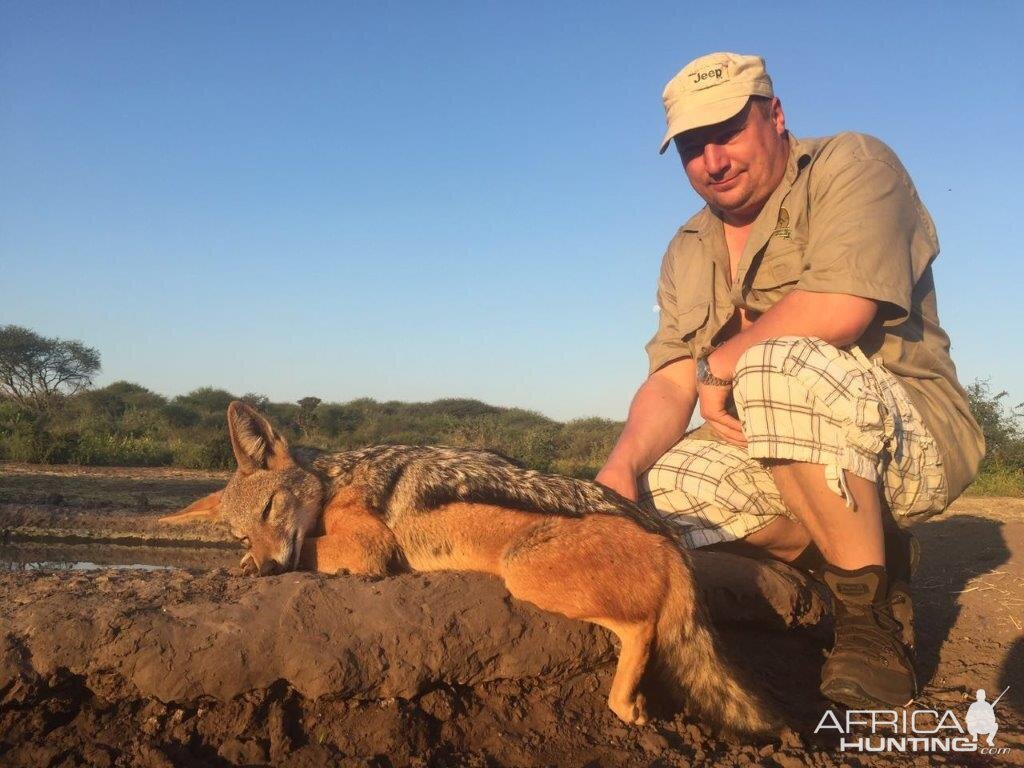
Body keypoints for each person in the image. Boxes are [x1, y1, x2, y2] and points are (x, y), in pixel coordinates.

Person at [596, 52, 984, 709]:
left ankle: (873, 627)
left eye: (726, 133)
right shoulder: (688, 246)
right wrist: (619, 473)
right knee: (662, 496)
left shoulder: (853, 164)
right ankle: (854, 558)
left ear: (775, 116)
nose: (712, 160)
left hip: (909, 434)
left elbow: (841, 308)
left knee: (771, 360)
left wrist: (720, 363)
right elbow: (670, 377)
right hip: (778, 446)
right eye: (693, 146)